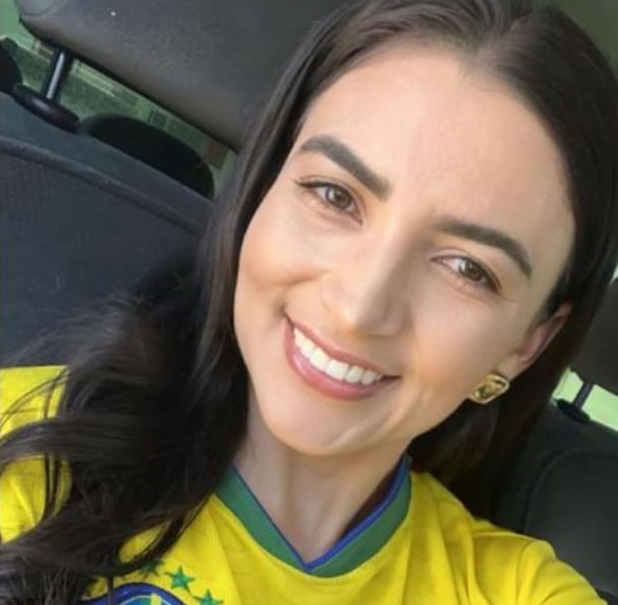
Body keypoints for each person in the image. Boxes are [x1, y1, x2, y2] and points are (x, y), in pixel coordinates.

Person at [1, 0, 617, 603]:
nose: (359, 310)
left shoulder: (518, 590)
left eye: (467, 269)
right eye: (334, 195)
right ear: (263, 191)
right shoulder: (24, 444)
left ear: (524, 345)